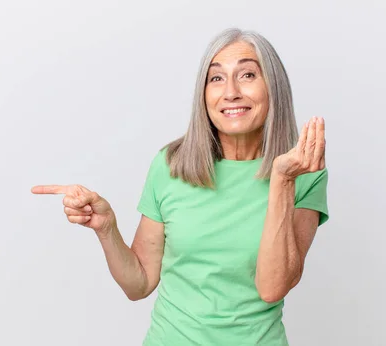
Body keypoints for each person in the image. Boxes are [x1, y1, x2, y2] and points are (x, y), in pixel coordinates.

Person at [32, 28, 329, 345]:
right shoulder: (170, 164)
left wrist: (282, 180)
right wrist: (107, 228)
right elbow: (140, 284)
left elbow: (272, 287)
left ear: (273, 88)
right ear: (203, 94)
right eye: (216, 78)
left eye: (247, 74)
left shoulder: (303, 172)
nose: (231, 92)